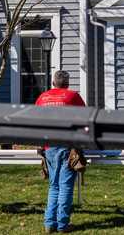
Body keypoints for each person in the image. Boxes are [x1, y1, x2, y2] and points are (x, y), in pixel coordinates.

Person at [35, 70, 85, 233]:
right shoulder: (73, 96)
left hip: (49, 147)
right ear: (67, 83)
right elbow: (85, 117)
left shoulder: (42, 98)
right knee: (65, 186)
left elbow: (35, 121)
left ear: (53, 83)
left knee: (54, 186)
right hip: (67, 146)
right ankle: (63, 224)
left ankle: (50, 223)